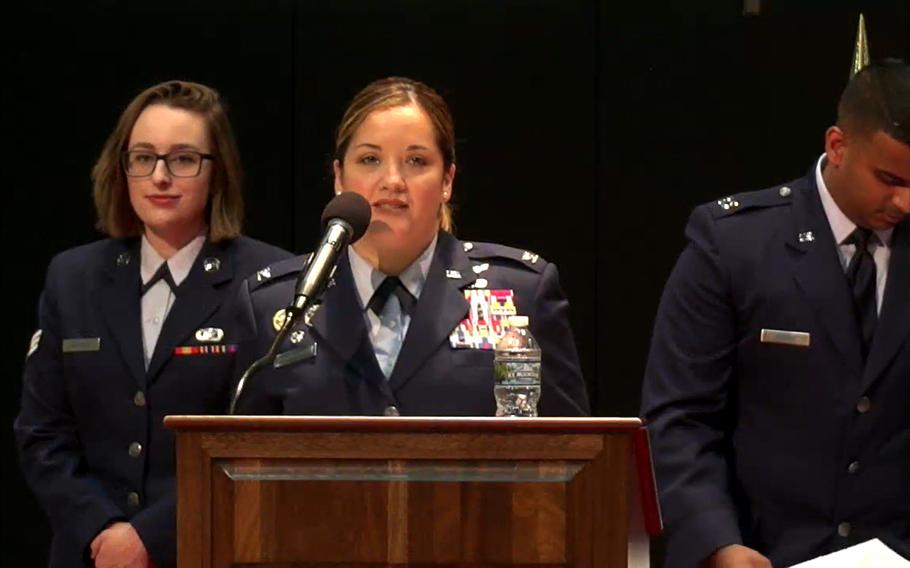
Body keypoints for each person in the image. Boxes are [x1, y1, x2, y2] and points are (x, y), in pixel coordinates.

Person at [640, 59, 910, 567]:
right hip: (761, 551)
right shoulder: (734, 243)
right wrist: (716, 542)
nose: (906, 201)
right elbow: (680, 416)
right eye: (889, 178)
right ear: (837, 146)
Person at [14, 80, 291, 568]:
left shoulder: (270, 281)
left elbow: (261, 442)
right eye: (143, 157)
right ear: (122, 169)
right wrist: (100, 530)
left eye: (182, 159)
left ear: (217, 171)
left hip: (211, 548)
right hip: (90, 555)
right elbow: (43, 433)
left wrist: (150, 538)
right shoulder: (71, 277)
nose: (159, 176)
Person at [232, 77, 590, 417]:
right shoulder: (275, 304)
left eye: (416, 161)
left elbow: (576, 456)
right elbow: (238, 464)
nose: (392, 181)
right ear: (339, 177)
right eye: (370, 159)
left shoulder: (520, 293)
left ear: (447, 180)